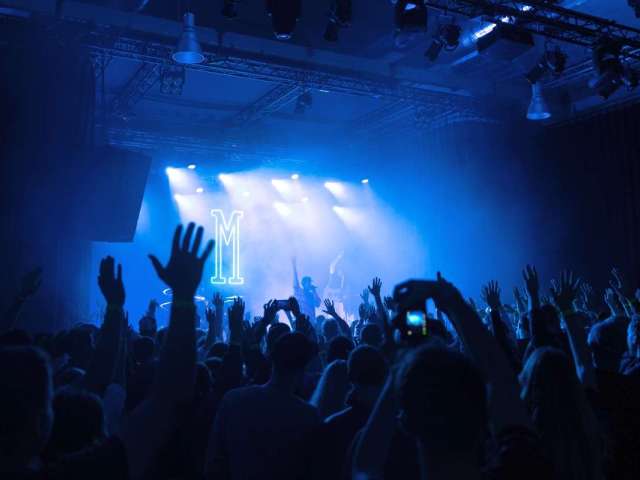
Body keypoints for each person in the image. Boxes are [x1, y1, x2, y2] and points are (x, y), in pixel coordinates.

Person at [205, 332, 320, 480]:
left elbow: (214, 461)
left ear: (271, 359)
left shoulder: (233, 399)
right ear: (304, 369)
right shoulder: (307, 416)